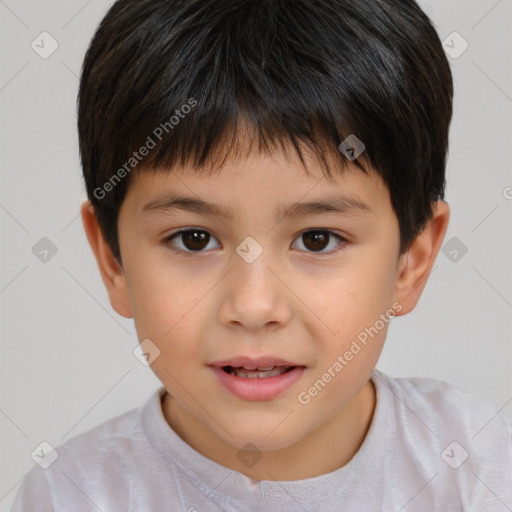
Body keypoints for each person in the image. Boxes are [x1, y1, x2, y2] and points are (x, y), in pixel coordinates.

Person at [11, 0, 512, 510]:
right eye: (194, 239)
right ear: (112, 259)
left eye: (317, 239)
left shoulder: (483, 473)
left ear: (412, 259)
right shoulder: (72, 495)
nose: (253, 307)